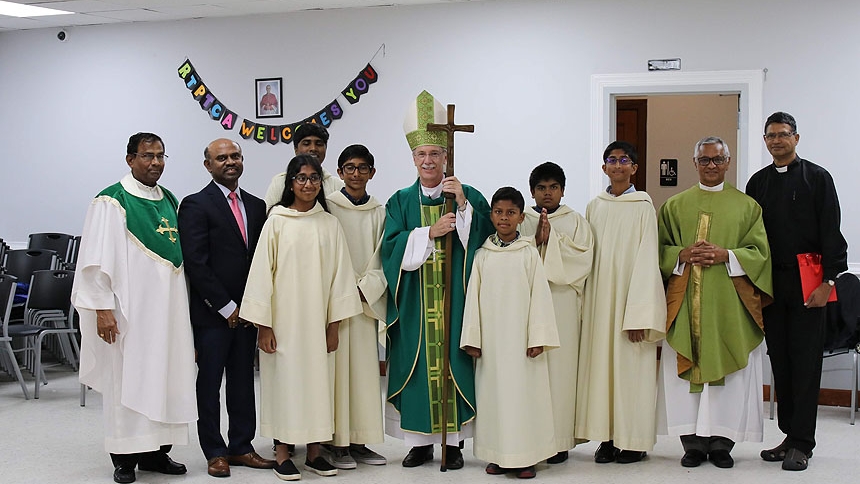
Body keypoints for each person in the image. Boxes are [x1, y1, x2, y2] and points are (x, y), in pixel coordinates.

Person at [71, 132, 197, 484]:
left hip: (167, 312)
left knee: (164, 376)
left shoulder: (169, 198)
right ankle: (125, 457)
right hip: (129, 311)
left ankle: (157, 453)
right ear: (130, 159)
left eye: (160, 156)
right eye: (147, 156)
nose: (155, 162)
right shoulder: (111, 201)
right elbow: (95, 261)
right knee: (127, 377)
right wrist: (102, 308)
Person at [381, 90, 494, 469]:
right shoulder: (399, 201)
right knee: (417, 368)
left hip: (455, 299)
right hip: (415, 302)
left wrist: (462, 208)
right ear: (413, 158)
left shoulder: (468, 195)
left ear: (446, 157)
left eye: (435, 154)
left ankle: (454, 444)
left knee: (452, 363)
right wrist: (428, 234)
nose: (428, 161)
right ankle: (419, 443)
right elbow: (390, 249)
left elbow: (485, 243)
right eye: (421, 155)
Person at [239, 154, 363, 480]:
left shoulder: (329, 223)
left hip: (319, 324)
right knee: (286, 386)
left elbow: (340, 279)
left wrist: (334, 326)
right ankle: (282, 453)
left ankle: (314, 453)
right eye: (301, 178)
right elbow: (261, 276)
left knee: (317, 386)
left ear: (321, 183)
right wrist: (263, 327)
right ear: (290, 183)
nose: (308, 184)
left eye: (314, 178)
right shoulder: (276, 221)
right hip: (283, 325)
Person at [656, 136, 773, 469]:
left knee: (730, 379)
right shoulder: (675, 206)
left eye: (717, 160)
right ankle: (691, 444)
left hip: (729, 305)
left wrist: (727, 255)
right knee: (686, 376)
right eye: (704, 160)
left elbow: (760, 254)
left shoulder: (747, 207)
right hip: (685, 304)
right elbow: (658, 251)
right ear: (694, 163)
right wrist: (681, 254)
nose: (711, 166)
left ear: (728, 162)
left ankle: (723, 443)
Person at [746, 112, 848, 471]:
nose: (777, 140)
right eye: (770, 135)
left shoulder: (818, 178)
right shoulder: (757, 183)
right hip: (773, 285)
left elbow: (832, 233)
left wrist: (829, 283)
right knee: (782, 362)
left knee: (805, 363)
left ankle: (804, 442)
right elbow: (751, 238)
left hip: (810, 283)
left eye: (783, 134)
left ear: (796, 138)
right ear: (765, 140)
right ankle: (790, 435)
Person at [177, 139, 274, 477]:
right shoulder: (195, 204)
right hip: (213, 314)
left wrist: (252, 307)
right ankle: (214, 451)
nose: (229, 162)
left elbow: (261, 261)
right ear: (208, 165)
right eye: (221, 158)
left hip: (248, 314)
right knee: (209, 384)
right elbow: (196, 263)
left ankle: (242, 447)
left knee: (244, 381)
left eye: (235, 156)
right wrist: (226, 306)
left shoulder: (257, 205)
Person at [575, 141, 666, 464]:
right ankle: (608, 438)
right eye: (611, 160)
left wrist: (640, 313)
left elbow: (647, 261)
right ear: (604, 168)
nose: (617, 165)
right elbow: (585, 255)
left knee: (630, 372)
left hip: (630, 304)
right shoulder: (594, 207)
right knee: (602, 372)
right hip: (601, 303)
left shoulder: (643, 206)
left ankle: (634, 441)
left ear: (634, 168)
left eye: (623, 160)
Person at [461, 187, 559, 479]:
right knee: (494, 399)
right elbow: (473, 299)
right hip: (491, 343)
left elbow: (540, 296)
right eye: (499, 212)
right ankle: (496, 454)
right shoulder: (482, 255)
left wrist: (538, 337)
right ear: (491, 215)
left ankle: (525, 456)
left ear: (520, 217)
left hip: (522, 344)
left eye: (511, 213)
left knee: (522, 399)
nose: (504, 218)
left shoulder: (528, 253)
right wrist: (473, 339)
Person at [518, 161, 593, 464]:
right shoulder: (521, 219)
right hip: (528, 303)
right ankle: (530, 435)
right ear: (532, 191)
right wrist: (534, 240)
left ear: (562, 189)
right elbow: (510, 253)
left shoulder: (576, 221)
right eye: (541, 188)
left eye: (553, 187)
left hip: (561, 302)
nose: (547, 193)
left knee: (561, 374)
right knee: (530, 371)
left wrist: (554, 241)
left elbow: (584, 258)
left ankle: (560, 440)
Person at [325, 144, 388, 469]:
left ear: (372, 173)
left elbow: (384, 255)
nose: (356, 174)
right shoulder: (329, 207)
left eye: (363, 168)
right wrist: (345, 288)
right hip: (336, 301)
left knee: (363, 374)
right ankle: (336, 443)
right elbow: (327, 252)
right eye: (349, 168)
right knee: (337, 374)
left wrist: (366, 288)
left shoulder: (379, 211)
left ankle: (360, 440)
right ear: (340, 173)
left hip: (365, 302)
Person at [263, 123, 344, 211]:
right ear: (296, 150)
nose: (313, 148)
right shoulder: (280, 182)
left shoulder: (337, 185)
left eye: (319, 144)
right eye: (306, 143)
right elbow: (268, 215)